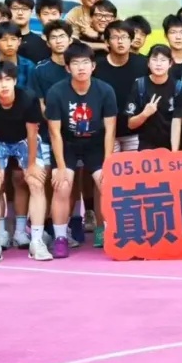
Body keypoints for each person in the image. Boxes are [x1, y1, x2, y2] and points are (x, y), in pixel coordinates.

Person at [45, 42, 118, 257]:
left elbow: (110, 129)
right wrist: (60, 167)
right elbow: (54, 132)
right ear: (67, 68)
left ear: (93, 66)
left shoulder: (105, 90)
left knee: (107, 183)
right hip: (67, 144)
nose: (81, 67)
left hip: (95, 144)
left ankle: (111, 232)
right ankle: (60, 237)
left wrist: (108, 162)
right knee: (62, 185)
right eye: (75, 63)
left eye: (85, 62)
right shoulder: (56, 92)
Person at [0, 62, 51, 263]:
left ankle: (37, 241)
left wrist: (32, 164)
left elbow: (32, 132)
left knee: (36, 182)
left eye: (8, 79)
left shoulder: (28, 97)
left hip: (24, 140)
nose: (4, 85)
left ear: (15, 81)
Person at [92, 20, 149, 153]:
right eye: (115, 37)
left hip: (136, 132)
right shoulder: (96, 67)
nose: (120, 41)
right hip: (106, 132)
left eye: (124, 37)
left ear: (131, 40)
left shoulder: (143, 64)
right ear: (107, 42)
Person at [127, 45, 182, 152]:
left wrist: (174, 152)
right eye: (154, 60)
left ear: (170, 63)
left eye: (163, 60)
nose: (158, 64)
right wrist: (145, 114)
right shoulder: (139, 85)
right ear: (148, 63)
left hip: (172, 145)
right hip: (147, 147)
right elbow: (131, 124)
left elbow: (177, 121)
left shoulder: (178, 87)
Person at [0, 22, 35, 94]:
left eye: (13, 39)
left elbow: (31, 95)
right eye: (4, 40)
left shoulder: (28, 66)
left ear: (19, 41)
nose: (9, 44)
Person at [5, 0, 50, 64]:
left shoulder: (43, 44)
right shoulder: (1, 42)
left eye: (25, 8)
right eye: (15, 8)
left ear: (31, 12)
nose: (20, 13)